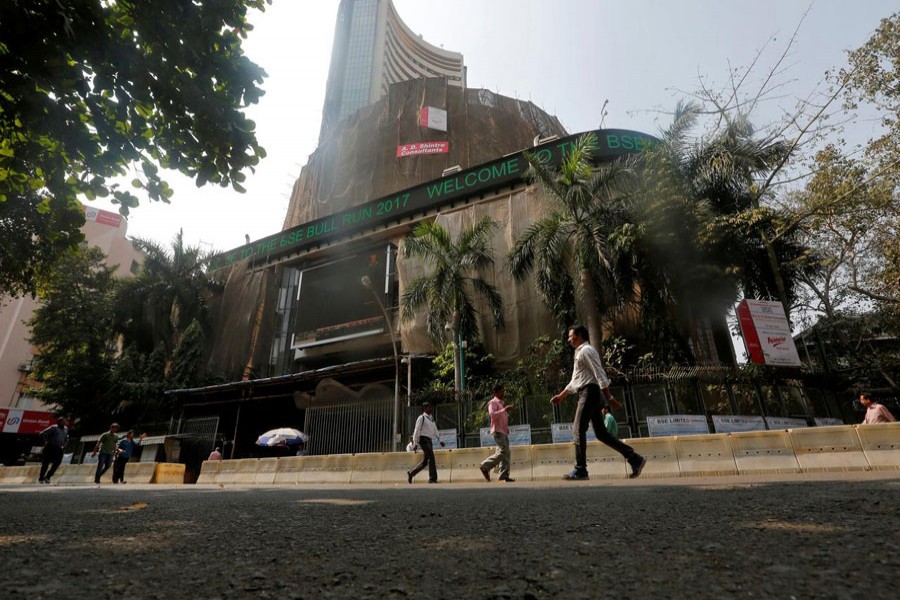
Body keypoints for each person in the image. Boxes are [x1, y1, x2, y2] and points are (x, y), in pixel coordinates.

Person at [551, 325, 646, 480]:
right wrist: (561, 396)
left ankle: (580, 469)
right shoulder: (579, 352)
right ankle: (635, 459)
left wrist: (609, 397)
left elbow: (599, 373)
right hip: (590, 393)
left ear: (580, 335)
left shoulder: (586, 351)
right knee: (602, 434)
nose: (568, 339)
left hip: (590, 393)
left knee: (577, 429)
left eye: (571, 336)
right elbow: (576, 380)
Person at [479, 384, 516, 482]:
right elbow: (492, 415)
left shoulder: (500, 404)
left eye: (503, 390)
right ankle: (485, 466)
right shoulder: (493, 403)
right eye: (501, 391)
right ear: (496, 392)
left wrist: (505, 410)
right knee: (504, 451)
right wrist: (505, 409)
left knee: (506, 453)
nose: (503, 392)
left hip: (503, 431)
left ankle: (503, 476)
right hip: (498, 431)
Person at [407, 402, 444, 484]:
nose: (431, 409)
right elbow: (416, 430)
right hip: (423, 440)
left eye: (431, 407)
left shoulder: (431, 419)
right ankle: (432, 479)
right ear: (424, 408)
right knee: (431, 457)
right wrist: (415, 443)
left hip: (429, 440)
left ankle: (411, 473)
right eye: (429, 407)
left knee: (425, 461)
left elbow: (435, 431)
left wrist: (440, 440)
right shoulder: (421, 418)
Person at [38, 417, 69, 484]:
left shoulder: (66, 429)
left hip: (59, 448)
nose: (64, 423)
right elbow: (42, 433)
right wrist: (46, 441)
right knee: (45, 463)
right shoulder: (54, 428)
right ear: (59, 422)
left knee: (58, 462)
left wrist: (65, 444)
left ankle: (48, 476)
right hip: (50, 447)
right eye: (63, 421)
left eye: (65, 421)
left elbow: (66, 438)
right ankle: (41, 478)